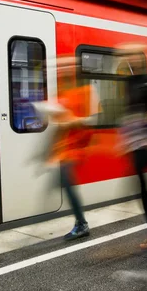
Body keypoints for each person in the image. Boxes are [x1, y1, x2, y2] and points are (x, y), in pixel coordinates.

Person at [45, 55, 100, 240]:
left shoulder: (87, 91)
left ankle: (82, 224)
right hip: (63, 150)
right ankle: (80, 222)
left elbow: (94, 119)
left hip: (76, 149)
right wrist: (50, 150)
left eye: (66, 69)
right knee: (64, 185)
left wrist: (72, 121)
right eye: (59, 69)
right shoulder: (59, 96)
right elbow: (58, 126)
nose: (62, 72)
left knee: (68, 185)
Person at [118, 44, 147, 250]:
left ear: (140, 59)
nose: (131, 60)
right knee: (142, 186)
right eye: (129, 57)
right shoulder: (129, 81)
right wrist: (124, 137)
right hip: (136, 141)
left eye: (134, 56)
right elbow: (129, 110)